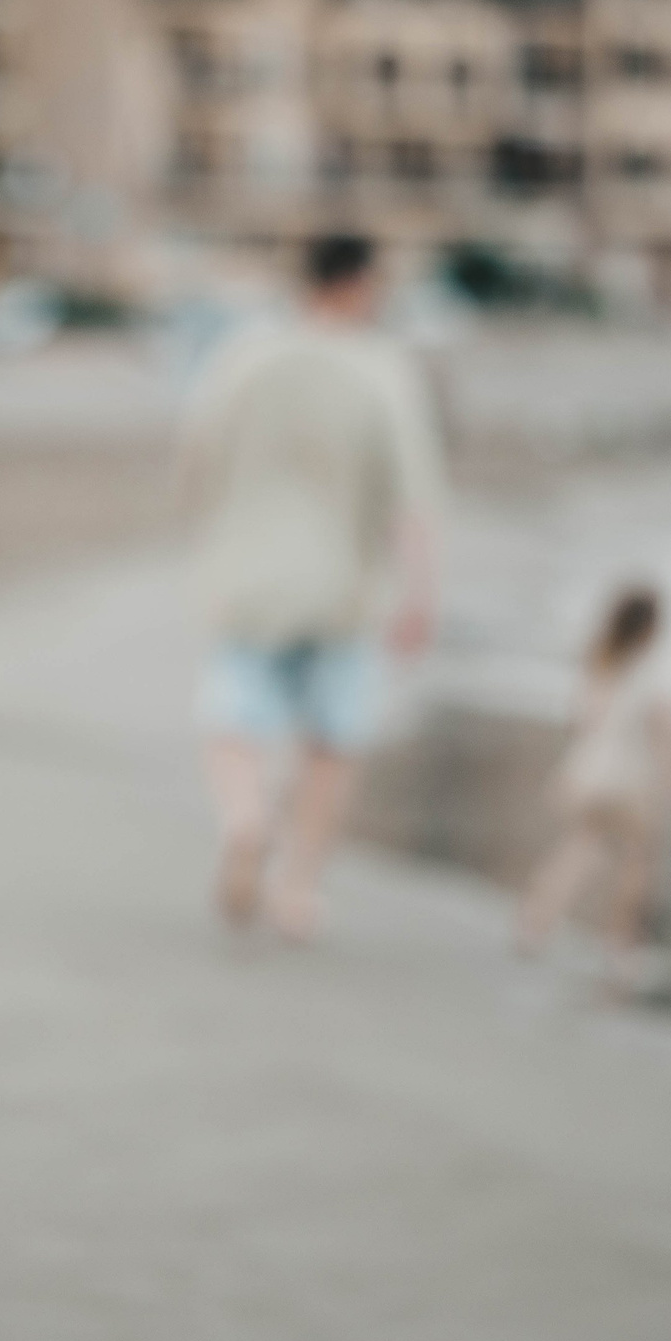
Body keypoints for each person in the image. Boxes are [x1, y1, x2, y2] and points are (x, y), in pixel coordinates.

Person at [178, 234, 444, 942]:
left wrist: (209, 541)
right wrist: (420, 594)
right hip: (342, 583)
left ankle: (245, 819)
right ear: (358, 284)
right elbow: (410, 498)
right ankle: (296, 887)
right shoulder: (384, 369)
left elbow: (196, 457)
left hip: (248, 572)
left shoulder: (243, 357)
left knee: (234, 722)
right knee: (331, 743)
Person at [515, 584, 671, 993]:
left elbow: (580, 721)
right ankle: (620, 948)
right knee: (637, 863)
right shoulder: (653, 671)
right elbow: (664, 728)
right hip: (629, 782)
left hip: (586, 774)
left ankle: (535, 923)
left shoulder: (600, 663)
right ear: (653, 627)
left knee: (580, 848)